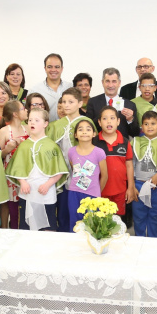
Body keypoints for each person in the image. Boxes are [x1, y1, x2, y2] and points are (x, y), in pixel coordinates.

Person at [6, 108, 69, 231]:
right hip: (27, 193)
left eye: (36, 120)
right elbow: (17, 168)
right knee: (26, 226)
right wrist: (22, 182)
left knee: (48, 226)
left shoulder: (52, 146)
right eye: (30, 120)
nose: (32, 123)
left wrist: (48, 184)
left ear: (46, 123)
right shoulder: (24, 146)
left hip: (46, 193)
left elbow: (59, 171)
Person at [47, 88, 94, 232]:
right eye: (64, 102)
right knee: (62, 208)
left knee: (80, 208)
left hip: (81, 172)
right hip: (61, 171)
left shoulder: (86, 123)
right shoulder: (56, 125)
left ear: (80, 103)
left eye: (71, 102)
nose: (66, 105)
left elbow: (92, 149)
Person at [93, 106, 137, 221]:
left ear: (118, 121)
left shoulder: (125, 142)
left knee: (116, 222)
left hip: (120, 190)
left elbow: (129, 165)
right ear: (99, 122)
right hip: (100, 190)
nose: (108, 121)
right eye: (105, 119)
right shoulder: (94, 142)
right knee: (100, 221)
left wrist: (131, 187)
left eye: (112, 118)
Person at [66, 118, 108, 232]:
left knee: (91, 225)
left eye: (88, 129)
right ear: (75, 134)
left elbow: (104, 175)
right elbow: (74, 170)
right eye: (80, 129)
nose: (84, 132)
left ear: (94, 133)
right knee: (74, 223)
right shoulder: (71, 151)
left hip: (92, 195)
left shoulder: (99, 152)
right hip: (74, 193)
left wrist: (97, 191)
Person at [131, 110, 157, 237]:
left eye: (153, 123)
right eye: (146, 124)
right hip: (138, 183)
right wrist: (132, 185)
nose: (149, 127)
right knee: (139, 215)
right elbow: (131, 163)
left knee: (156, 214)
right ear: (142, 126)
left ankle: (153, 240)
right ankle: (139, 239)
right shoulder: (136, 142)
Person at [0, 101, 28, 228]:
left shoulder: (28, 128)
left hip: (26, 172)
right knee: (8, 203)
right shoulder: (4, 131)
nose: (26, 110)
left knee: (24, 202)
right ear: (15, 114)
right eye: (23, 108)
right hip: (9, 172)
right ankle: (5, 229)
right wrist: (7, 150)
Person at [85, 68, 140, 139]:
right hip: (99, 145)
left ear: (119, 83)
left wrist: (130, 120)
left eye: (114, 81)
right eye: (107, 81)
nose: (110, 85)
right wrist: (103, 116)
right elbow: (88, 127)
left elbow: (135, 133)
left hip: (122, 147)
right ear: (102, 82)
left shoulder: (130, 105)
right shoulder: (93, 102)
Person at [29, 53, 66, 122]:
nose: (53, 70)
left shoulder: (70, 87)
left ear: (62, 69)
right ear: (45, 68)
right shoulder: (34, 90)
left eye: (57, 67)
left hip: (68, 130)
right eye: (49, 67)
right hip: (43, 130)